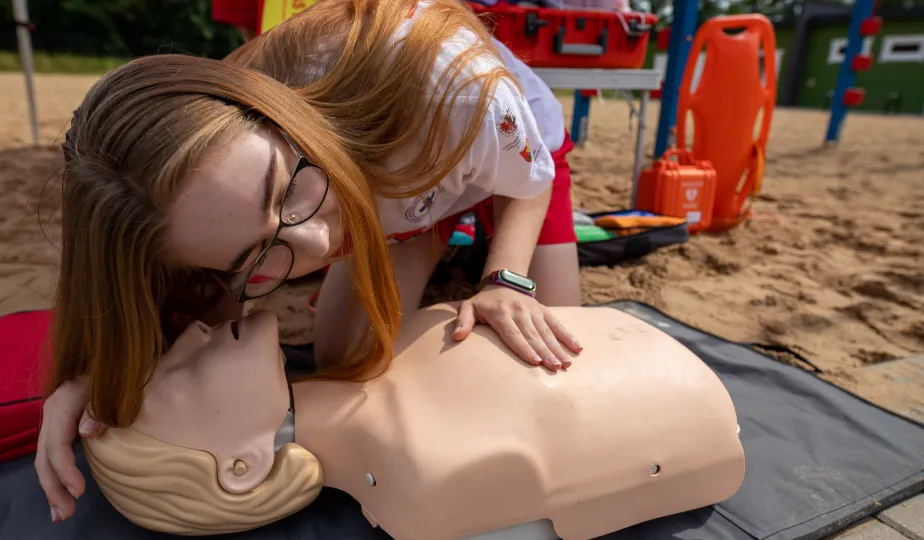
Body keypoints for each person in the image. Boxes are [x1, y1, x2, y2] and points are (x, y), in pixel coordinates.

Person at [38, 0, 582, 523]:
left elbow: (530, 182)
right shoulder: (206, 194)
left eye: (284, 192)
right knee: (347, 357)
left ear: (272, 112)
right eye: (255, 256)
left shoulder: (454, 90)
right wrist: (105, 375)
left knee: (550, 354)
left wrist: (505, 281)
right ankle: (417, 226)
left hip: (506, 160)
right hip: (391, 193)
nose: (319, 244)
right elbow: (177, 304)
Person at [83, 305, 745, 538]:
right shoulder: (424, 476)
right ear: (241, 465)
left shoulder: (374, 348)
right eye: (176, 376)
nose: (189, 333)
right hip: (688, 404)